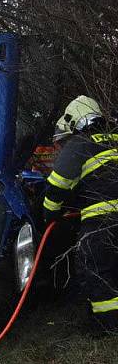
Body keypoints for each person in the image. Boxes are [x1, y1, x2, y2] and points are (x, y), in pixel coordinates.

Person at [43, 95, 118, 333]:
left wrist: (49, 214)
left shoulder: (79, 144)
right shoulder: (114, 137)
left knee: (96, 267)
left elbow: (57, 186)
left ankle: (106, 325)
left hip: (103, 221)